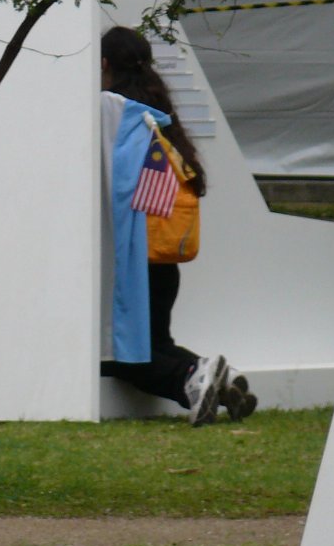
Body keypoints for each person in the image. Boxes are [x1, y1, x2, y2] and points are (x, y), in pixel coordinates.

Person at [99, 26, 256, 426]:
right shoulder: (155, 115)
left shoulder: (111, 113)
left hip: (133, 262)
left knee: (123, 359)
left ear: (103, 65)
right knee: (156, 342)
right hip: (163, 259)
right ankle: (217, 375)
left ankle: (191, 377)